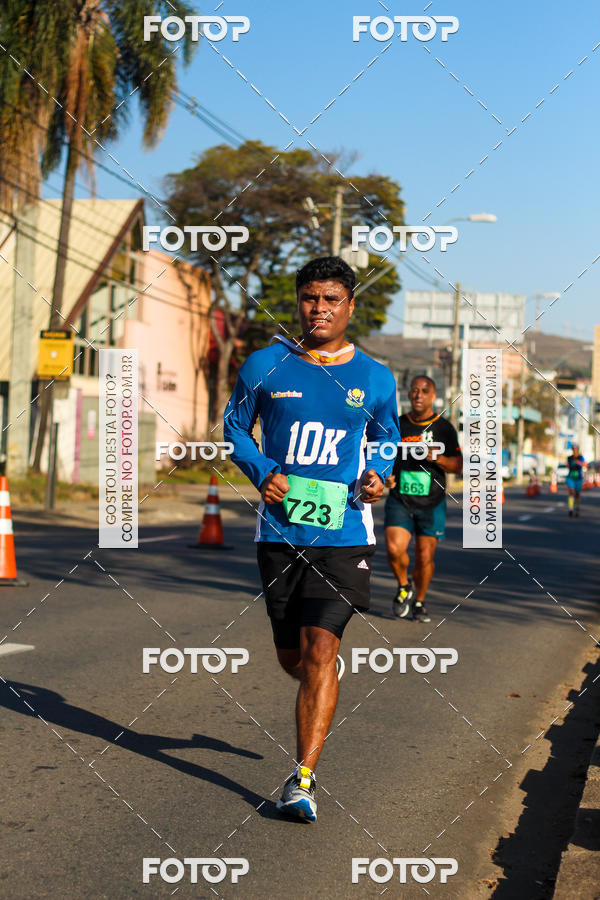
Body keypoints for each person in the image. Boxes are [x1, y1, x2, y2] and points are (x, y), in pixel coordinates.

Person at [223, 256, 400, 823]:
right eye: (309, 298)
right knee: (292, 656)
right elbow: (233, 427)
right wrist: (261, 469)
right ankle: (319, 679)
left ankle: (302, 780)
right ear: (298, 301)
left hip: (344, 533)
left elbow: (386, 439)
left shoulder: (375, 377)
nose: (319, 309)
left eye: (331, 300)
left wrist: (378, 475)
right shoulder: (265, 366)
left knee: (322, 648)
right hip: (279, 532)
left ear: (350, 305)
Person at [384, 375, 462, 622]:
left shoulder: (443, 428)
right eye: (414, 390)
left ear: (433, 396)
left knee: (425, 556)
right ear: (408, 395)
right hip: (400, 498)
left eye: (424, 391)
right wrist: (387, 477)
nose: (418, 394)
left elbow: (458, 465)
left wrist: (437, 459)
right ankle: (404, 585)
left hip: (432, 501)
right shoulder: (397, 425)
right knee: (395, 550)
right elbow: (384, 457)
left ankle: (419, 601)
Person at [565, 444, 586, 517]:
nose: (574, 450)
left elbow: (585, 465)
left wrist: (578, 462)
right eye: (573, 449)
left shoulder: (581, 457)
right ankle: (570, 509)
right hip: (570, 477)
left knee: (577, 494)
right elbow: (567, 465)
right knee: (571, 492)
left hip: (578, 478)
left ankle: (577, 507)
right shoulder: (569, 458)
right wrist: (567, 465)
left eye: (576, 449)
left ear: (578, 449)